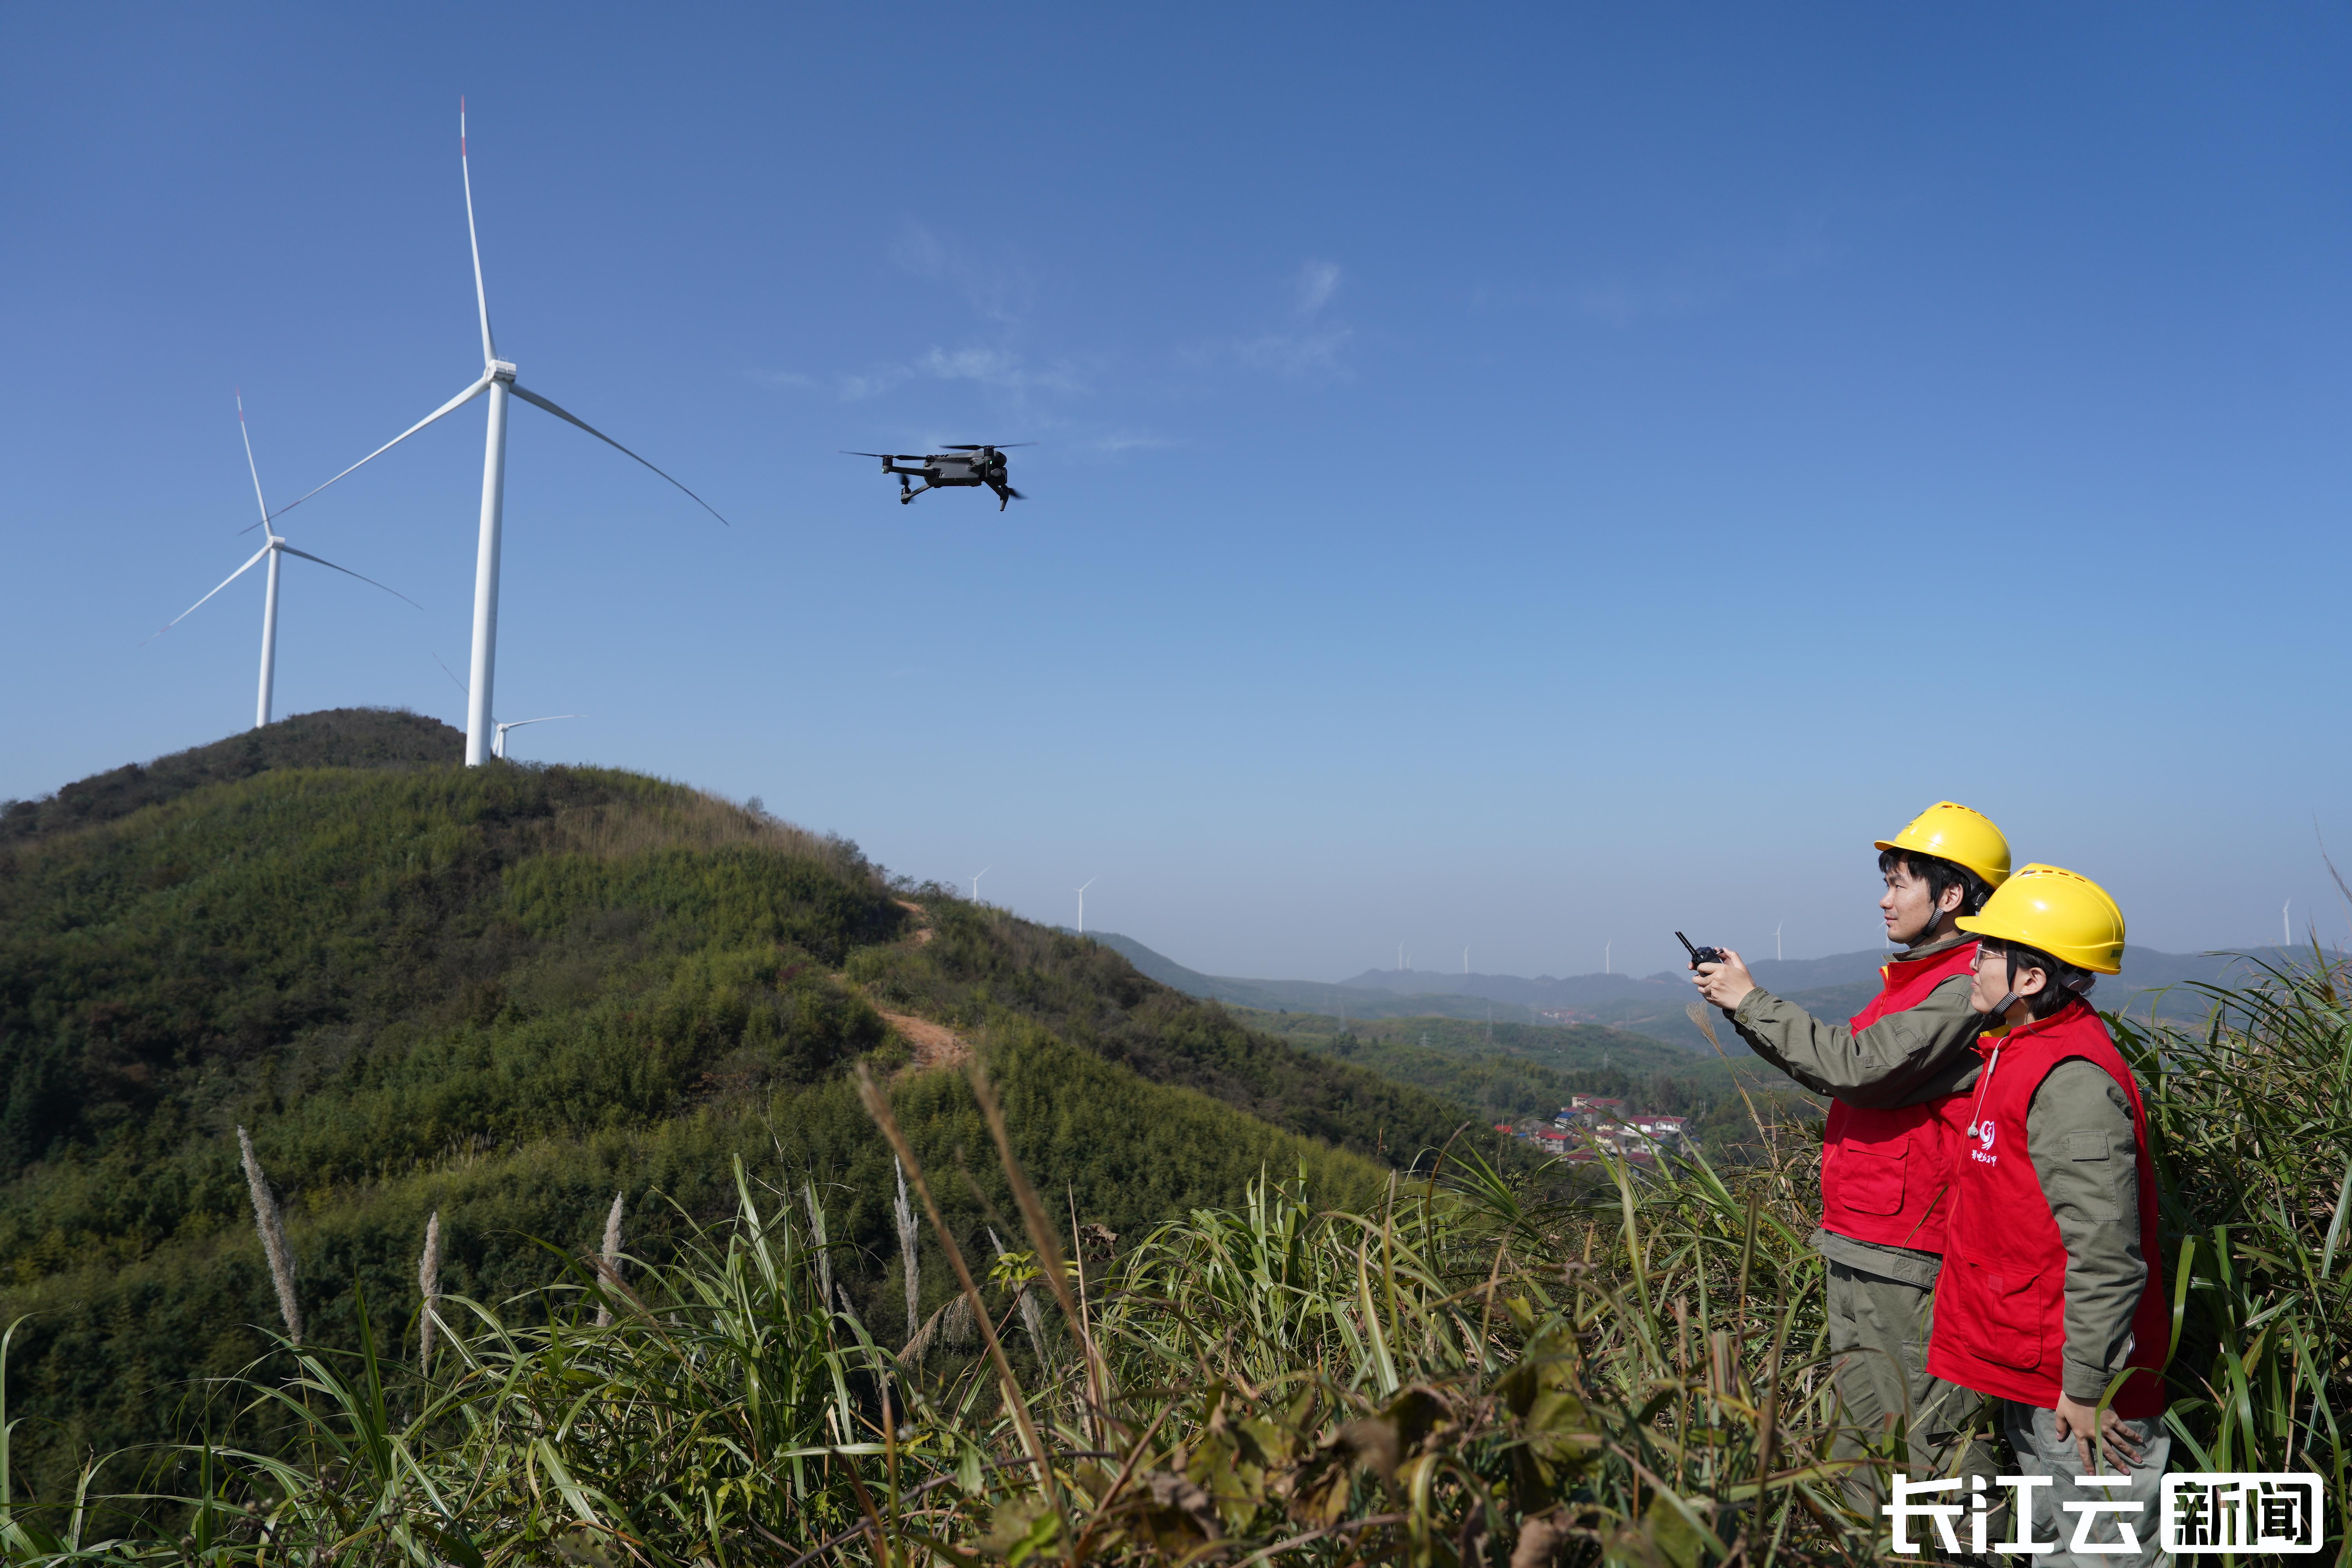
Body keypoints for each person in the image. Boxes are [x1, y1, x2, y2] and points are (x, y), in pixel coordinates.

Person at [1689, 801, 2009, 1519]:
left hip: (1918, 1246)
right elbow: (1840, 1069)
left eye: (1900, 882)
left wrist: (1752, 1001)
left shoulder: (1965, 986)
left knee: (1934, 1442)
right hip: (1867, 1237)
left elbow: (1859, 1065)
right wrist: (1745, 1007)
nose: (1884, 897)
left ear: (1951, 896)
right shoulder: (1921, 980)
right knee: (1862, 1439)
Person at [1933, 864, 2169, 1566]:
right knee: (2056, 1546)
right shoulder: (2018, 1050)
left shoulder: (2072, 1083)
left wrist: (2089, 1387)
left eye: (1987, 952)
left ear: (2031, 979)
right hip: (2035, 1364)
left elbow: (2106, 1251)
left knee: (2102, 1552)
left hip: (2079, 1383)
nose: (1972, 964)